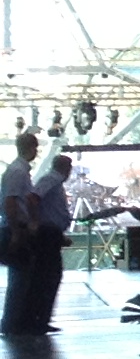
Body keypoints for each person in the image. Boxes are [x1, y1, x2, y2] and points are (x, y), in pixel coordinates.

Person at [4, 154, 72, 337]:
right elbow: (33, 198)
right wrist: (35, 222)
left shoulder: (53, 181)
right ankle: (36, 320)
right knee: (48, 276)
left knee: (45, 277)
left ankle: (37, 320)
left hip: (51, 232)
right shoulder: (51, 179)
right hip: (47, 233)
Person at [0, 135, 37, 339]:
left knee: (21, 277)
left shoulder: (17, 170)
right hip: (17, 228)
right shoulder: (18, 172)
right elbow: (10, 202)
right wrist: (16, 231)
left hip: (16, 227)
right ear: (30, 148)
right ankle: (12, 323)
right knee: (20, 278)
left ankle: (15, 322)